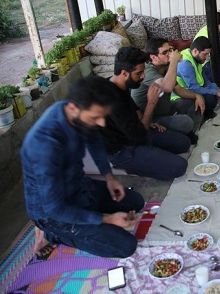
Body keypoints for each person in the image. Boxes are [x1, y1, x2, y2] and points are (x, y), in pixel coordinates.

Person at [21, 76, 145, 258]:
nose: (102, 123)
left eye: (104, 116)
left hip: (80, 187)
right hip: (53, 212)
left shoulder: (74, 110)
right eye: (96, 117)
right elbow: (55, 209)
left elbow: (93, 139)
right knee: (126, 246)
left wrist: (109, 177)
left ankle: (89, 216)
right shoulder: (44, 147)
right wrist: (108, 219)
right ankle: (52, 233)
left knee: (136, 202)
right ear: (73, 109)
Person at [100, 47, 189, 180]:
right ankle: (142, 162)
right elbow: (138, 135)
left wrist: (148, 122)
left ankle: (151, 154)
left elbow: (135, 111)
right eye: (139, 73)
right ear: (124, 73)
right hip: (123, 150)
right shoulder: (111, 99)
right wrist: (151, 103)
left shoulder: (119, 85)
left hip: (137, 132)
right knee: (180, 166)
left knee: (184, 143)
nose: (143, 76)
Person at [131, 38, 203, 139]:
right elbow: (167, 87)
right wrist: (173, 61)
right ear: (154, 57)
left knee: (194, 103)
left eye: (170, 50)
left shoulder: (164, 68)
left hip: (165, 109)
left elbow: (178, 90)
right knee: (185, 122)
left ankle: (189, 134)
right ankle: (179, 135)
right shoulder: (148, 71)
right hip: (150, 118)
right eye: (165, 52)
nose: (170, 54)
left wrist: (197, 96)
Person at [177, 36, 220, 119]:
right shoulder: (185, 64)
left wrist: (216, 89)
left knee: (214, 91)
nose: (207, 58)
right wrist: (214, 92)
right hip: (183, 94)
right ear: (195, 51)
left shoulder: (196, 58)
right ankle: (203, 114)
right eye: (205, 54)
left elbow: (205, 80)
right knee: (210, 99)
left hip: (195, 89)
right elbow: (194, 88)